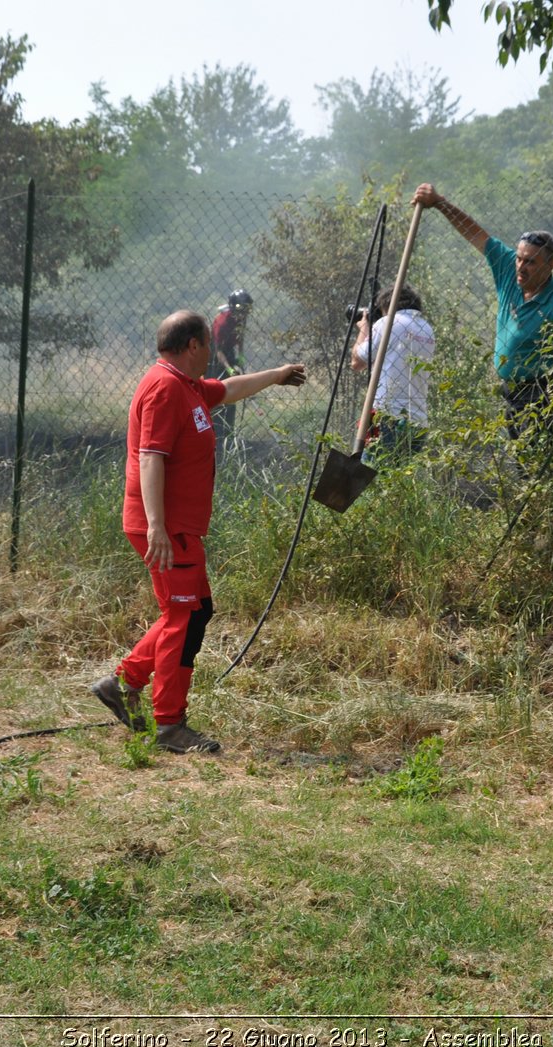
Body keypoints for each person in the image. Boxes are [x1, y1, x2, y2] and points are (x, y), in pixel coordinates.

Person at [91, 311, 305, 754]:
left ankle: (122, 683)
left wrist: (277, 375)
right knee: (182, 617)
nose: (212, 352)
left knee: (195, 610)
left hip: (179, 527)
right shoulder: (164, 388)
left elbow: (228, 390)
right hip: (166, 528)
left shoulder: (186, 386)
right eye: (207, 344)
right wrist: (157, 528)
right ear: (192, 345)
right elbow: (151, 457)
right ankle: (169, 723)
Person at [410, 183, 553, 455]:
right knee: (523, 462)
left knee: (534, 463)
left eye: (531, 262)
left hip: (544, 392)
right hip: (511, 391)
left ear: (550, 265)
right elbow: (476, 234)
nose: (521, 266)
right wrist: (440, 203)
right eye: (520, 259)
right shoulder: (510, 270)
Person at [350, 283, 435, 462]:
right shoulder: (426, 329)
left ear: (386, 305)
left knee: (369, 477)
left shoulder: (388, 323)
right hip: (418, 421)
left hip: (389, 418)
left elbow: (357, 362)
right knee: (399, 479)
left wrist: (364, 328)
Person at [208, 289, 252, 450]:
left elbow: (240, 339)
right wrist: (229, 369)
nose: (245, 313)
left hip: (230, 354)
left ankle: (228, 433)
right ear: (234, 307)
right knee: (216, 393)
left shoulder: (241, 318)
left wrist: (240, 357)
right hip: (214, 357)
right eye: (243, 309)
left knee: (231, 395)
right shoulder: (222, 322)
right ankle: (215, 436)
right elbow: (218, 350)